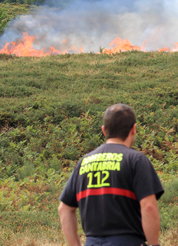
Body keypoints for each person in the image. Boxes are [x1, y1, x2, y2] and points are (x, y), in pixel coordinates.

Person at [58, 103, 164, 246]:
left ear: (104, 130)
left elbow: (64, 208)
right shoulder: (136, 160)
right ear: (133, 129)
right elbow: (149, 207)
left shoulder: (84, 161)